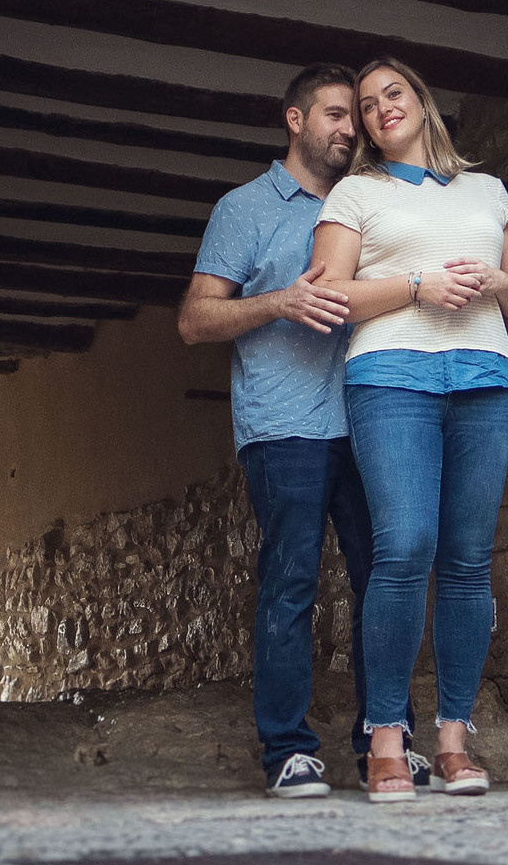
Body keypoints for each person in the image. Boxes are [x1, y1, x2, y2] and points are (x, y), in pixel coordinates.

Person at [180, 63, 431, 800]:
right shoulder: (244, 209)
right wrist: (278, 302)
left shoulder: (372, 200)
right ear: (295, 120)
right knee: (292, 582)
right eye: (335, 114)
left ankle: (387, 740)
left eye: (355, 116)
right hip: (284, 423)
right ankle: (288, 750)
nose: (351, 128)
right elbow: (195, 319)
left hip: (373, 418)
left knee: (383, 578)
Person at [309, 57, 508, 802]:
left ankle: (453, 740)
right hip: (390, 377)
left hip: (485, 377)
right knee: (405, 546)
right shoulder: (355, 193)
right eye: (366, 104)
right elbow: (331, 296)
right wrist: (417, 285)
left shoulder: (486, 189)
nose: (381, 108)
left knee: (468, 560)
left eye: (394, 93)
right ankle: (386, 737)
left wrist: (495, 282)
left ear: (421, 100)